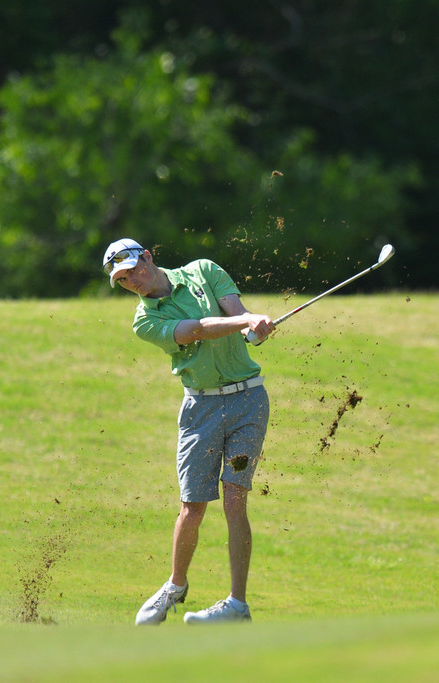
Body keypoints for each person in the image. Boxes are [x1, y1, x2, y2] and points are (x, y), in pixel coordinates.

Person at [102, 237, 275, 625]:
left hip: (249, 401)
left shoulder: (204, 270)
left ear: (148, 257)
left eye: (134, 271)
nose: (132, 282)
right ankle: (176, 585)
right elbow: (197, 330)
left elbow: (238, 314)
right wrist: (245, 322)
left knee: (235, 498)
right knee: (192, 507)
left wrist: (255, 327)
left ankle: (237, 605)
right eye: (123, 280)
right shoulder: (145, 321)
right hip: (200, 410)